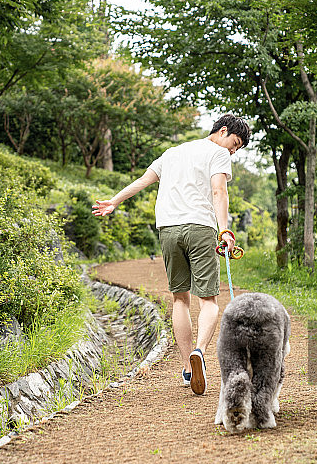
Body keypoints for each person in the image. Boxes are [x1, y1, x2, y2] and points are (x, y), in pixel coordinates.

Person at [92, 114, 250, 395]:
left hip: (168, 229)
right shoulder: (217, 153)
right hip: (200, 227)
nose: (233, 151)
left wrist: (114, 201)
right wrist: (225, 230)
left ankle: (188, 368)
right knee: (209, 300)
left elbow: (143, 181)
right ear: (223, 131)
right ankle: (199, 351)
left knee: (180, 298)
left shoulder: (172, 152)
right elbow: (219, 192)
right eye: (234, 144)